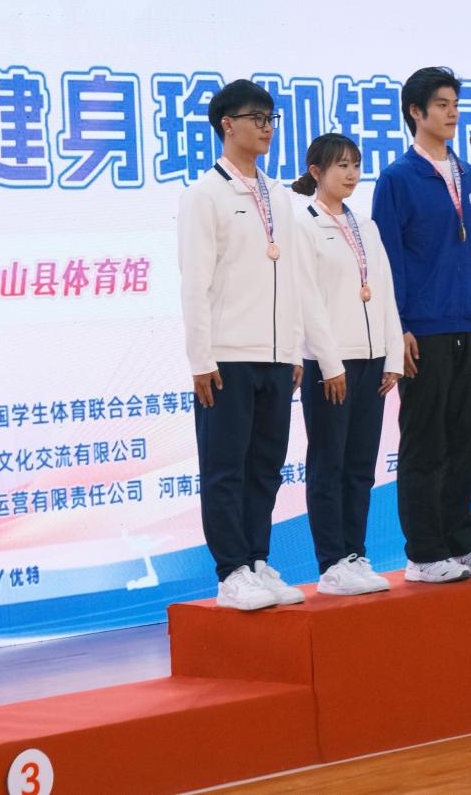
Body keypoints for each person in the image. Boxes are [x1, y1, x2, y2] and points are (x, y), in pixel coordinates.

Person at [372, 67, 471, 583]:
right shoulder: (398, 178)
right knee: (424, 443)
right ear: (416, 111)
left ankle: (462, 541)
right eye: (443, 104)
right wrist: (400, 326)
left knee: (465, 443)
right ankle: (424, 553)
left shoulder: (466, 175)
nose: (453, 113)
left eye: (456, 104)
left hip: (466, 327)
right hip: (422, 330)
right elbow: (389, 260)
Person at [177, 78, 306, 611]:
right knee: (225, 468)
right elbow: (194, 283)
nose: (267, 127)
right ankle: (231, 571)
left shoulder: (278, 195)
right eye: (257, 118)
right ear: (227, 125)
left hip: (275, 357)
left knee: (265, 467)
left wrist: (293, 349)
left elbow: (291, 274)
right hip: (227, 356)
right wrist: (200, 359)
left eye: (271, 118)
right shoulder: (204, 195)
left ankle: (256, 559)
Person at [292, 134, 403, 595]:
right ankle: (332, 562)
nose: (351, 174)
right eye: (341, 165)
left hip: (372, 361)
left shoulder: (366, 227)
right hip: (330, 365)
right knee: (328, 464)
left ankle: (355, 554)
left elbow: (386, 291)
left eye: (356, 164)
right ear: (316, 172)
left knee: (360, 465)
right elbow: (307, 300)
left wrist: (393, 356)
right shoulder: (303, 224)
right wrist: (329, 362)